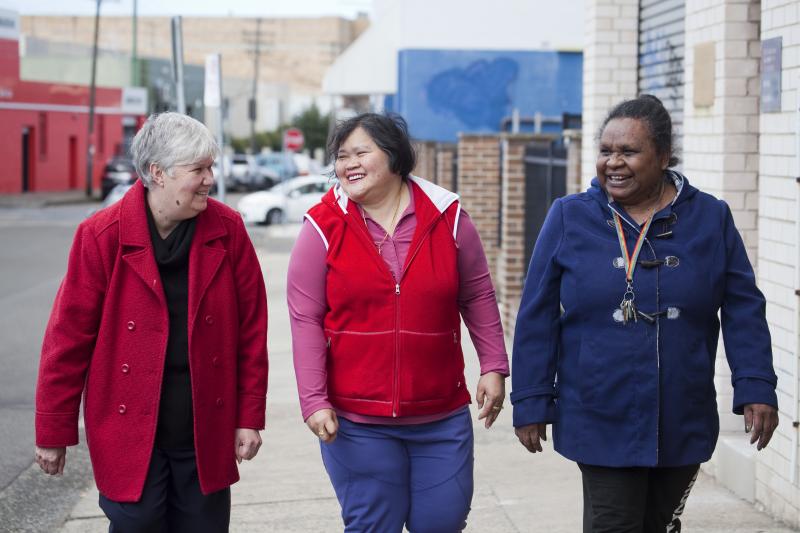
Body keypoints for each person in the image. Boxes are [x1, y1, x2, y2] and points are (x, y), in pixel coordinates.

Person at [511, 94, 779, 533]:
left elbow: (743, 306)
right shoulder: (569, 217)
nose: (613, 162)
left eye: (629, 152)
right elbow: (536, 316)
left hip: (682, 408)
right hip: (599, 409)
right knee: (613, 524)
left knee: (660, 525)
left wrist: (756, 386)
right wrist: (531, 400)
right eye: (606, 151)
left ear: (663, 156)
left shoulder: (710, 218)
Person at [34, 112, 268, 532]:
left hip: (204, 431)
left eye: (210, 167)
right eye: (198, 169)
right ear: (157, 173)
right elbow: (67, 340)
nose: (209, 179)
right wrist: (54, 430)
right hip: (127, 432)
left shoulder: (227, 229)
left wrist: (248, 416)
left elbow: (251, 332)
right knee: (136, 523)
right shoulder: (101, 235)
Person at [287, 113, 508, 532]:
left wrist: (494, 365)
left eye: (360, 152)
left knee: (442, 522)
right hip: (356, 421)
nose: (347, 163)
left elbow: (477, 294)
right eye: (341, 156)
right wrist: (314, 399)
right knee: (373, 525)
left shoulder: (448, 216)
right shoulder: (322, 226)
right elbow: (305, 318)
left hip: (441, 416)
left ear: (394, 157)